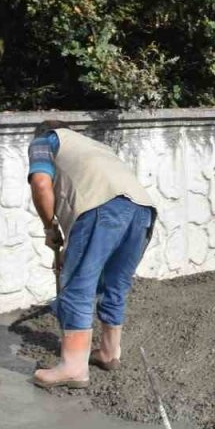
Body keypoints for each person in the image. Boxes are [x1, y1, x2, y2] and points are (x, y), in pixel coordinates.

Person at [27, 120, 157, 389]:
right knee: (115, 284)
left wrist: (50, 227)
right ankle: (110, 353)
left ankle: (74, 368)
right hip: (142, 209)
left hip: (101, 209)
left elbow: (41, 184)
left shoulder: (45, 140)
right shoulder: (96, 146)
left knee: (77, 287)